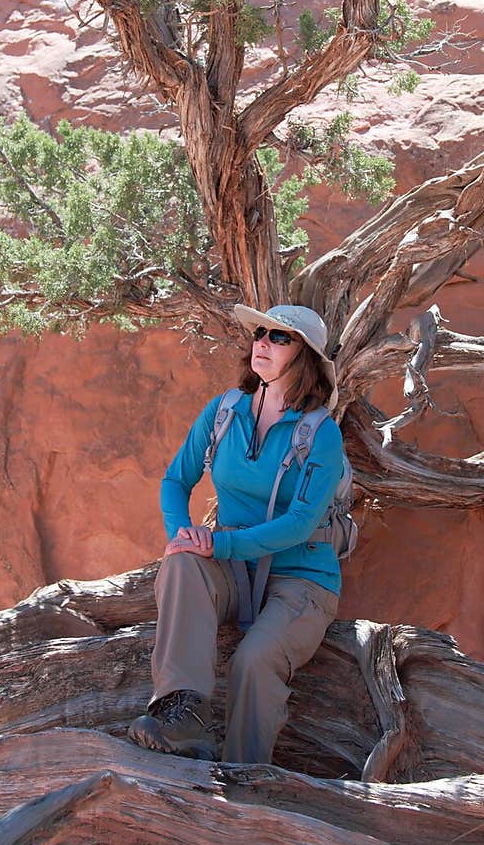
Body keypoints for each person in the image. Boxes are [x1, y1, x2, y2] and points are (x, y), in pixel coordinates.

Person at [127, 302, 345, 764]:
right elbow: (175, 481)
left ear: (304, 355)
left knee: (253, 661)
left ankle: (244, 780)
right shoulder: (225, 410)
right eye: (260, 332)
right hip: (232, 567)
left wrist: (220, 542)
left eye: (278, 337)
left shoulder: (321, 434)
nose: (261, 342)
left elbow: (301, 523)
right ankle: (182, 713)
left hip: (301, 579)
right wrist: (182, 534)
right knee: (182, 562)